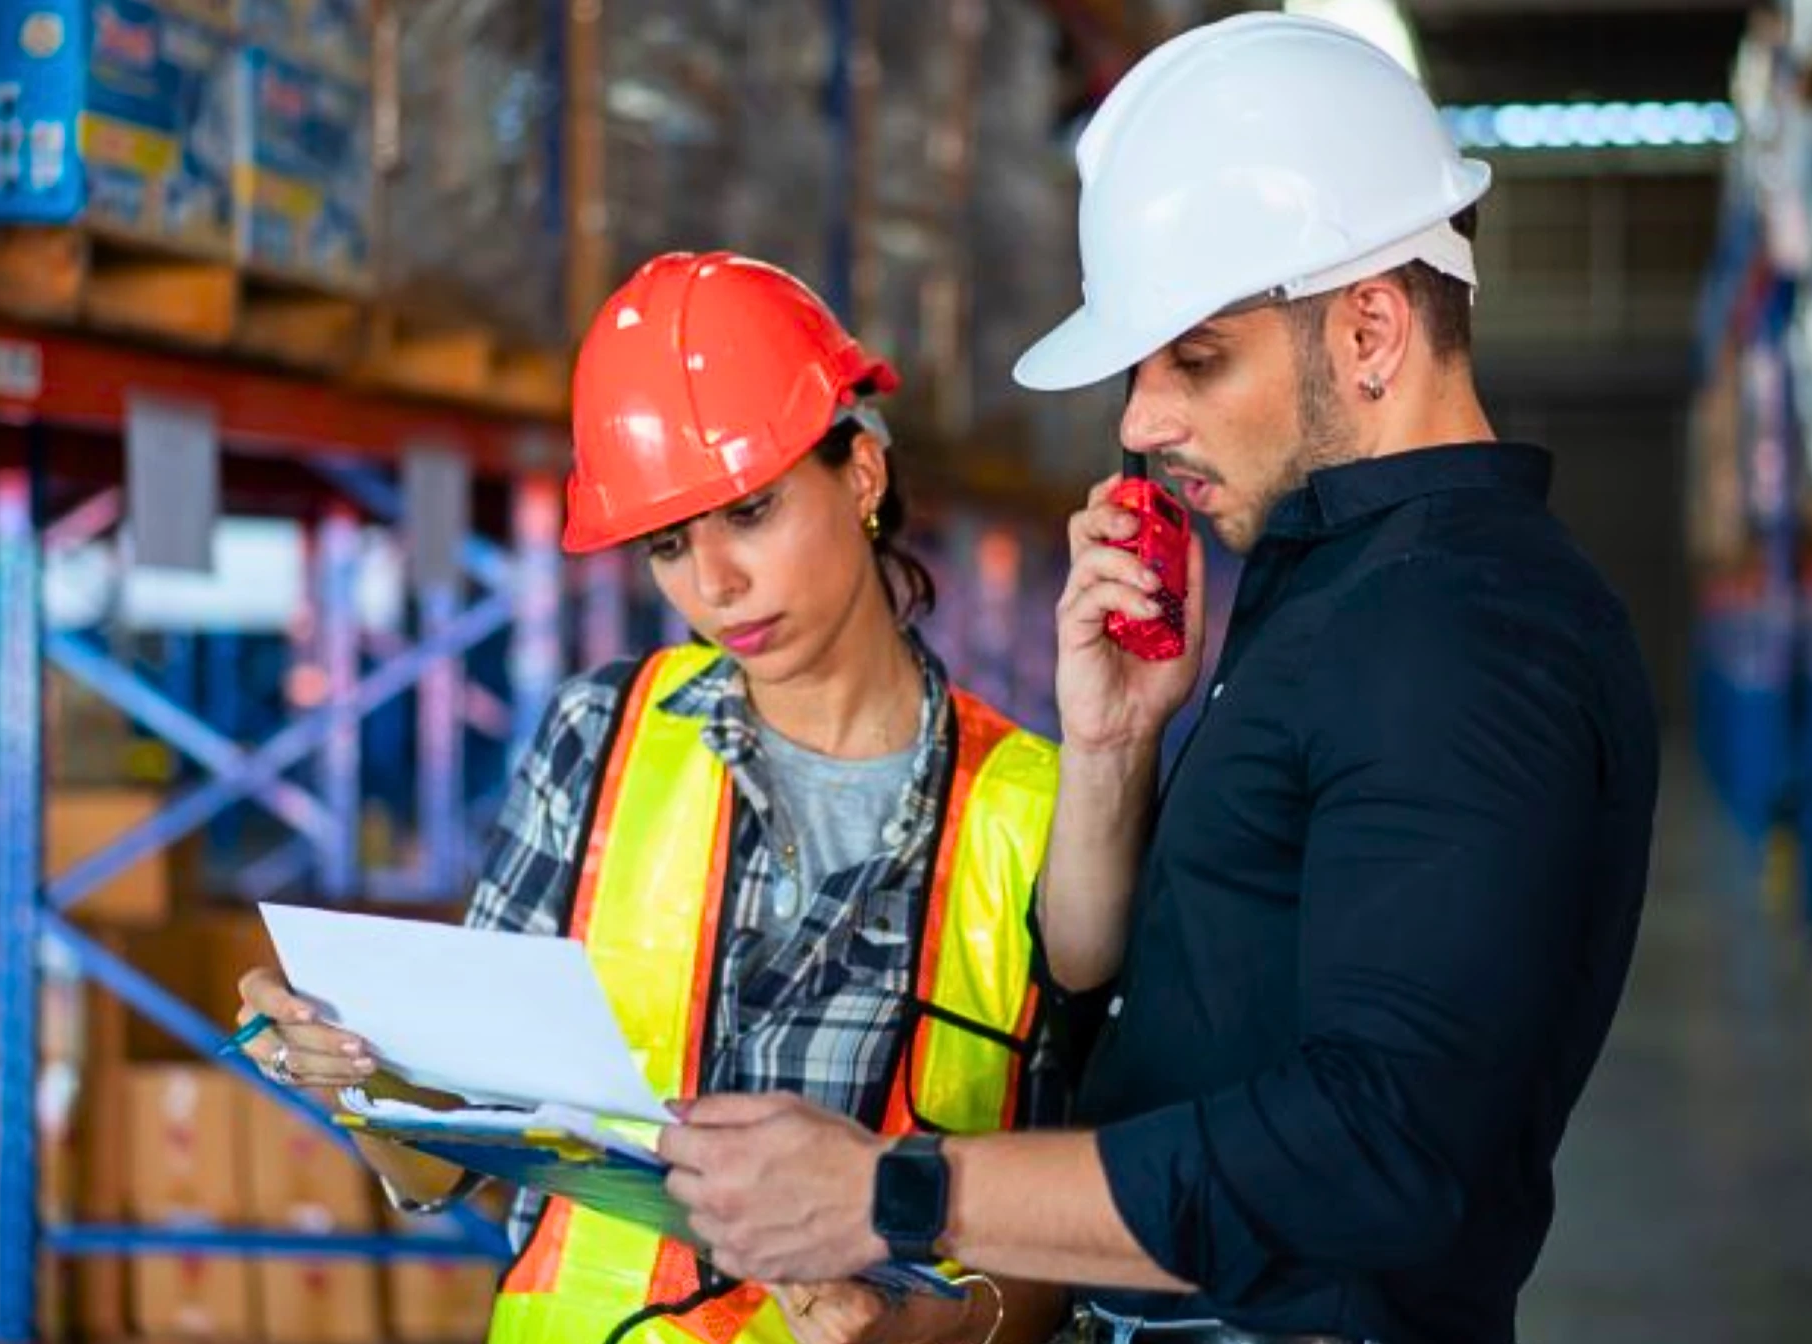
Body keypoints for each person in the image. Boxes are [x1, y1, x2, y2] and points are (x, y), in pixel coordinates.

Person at [654, 14, 1662, 1344]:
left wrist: (897, 1195)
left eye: (1196, 359)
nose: (1139, 420)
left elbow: (1383, 1152)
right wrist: (1120, 742)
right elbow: (1168, 1009)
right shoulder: (1334, 592)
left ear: (1370, 333)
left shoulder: (1460, 636)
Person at [229, 252, 1073, 1344]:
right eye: (669, 544)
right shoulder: (602, 736)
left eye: (751, 514)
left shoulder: (1036, 813)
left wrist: (926, 1335)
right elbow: (448, 1156)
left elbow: (1087, 1243)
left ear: (860, 476)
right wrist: (351, 1081)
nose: (711, 584)